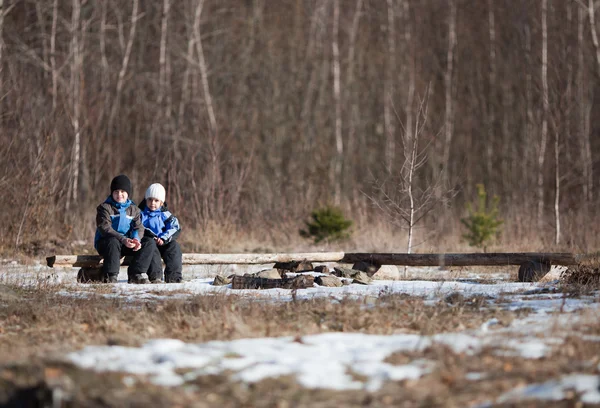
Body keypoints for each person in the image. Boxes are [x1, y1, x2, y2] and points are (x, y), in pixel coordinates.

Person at [94, 175, 158, 284]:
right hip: (107, 243)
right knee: (113, 241)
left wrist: (136, 239)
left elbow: (139, 227)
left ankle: (136, 273)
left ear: (128, 193)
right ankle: (111, 275)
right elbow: (105, 228)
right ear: (112, 193)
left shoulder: (134, 209)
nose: (119, 194)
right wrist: (123, 239)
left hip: (127, 243)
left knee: (149, 242)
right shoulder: (104, 208)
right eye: (116, 191)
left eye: (123, 191)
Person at [139, 183, 183, 283]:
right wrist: (152, 237)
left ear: (161, 203)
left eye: (156, 200)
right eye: (150, 199)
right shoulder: (141, 214)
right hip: (148, 243)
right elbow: (139, 228)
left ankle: (174, 276)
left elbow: (175, 227)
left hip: (163, 242)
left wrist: (164, 238)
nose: (152, 203)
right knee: (151, 246)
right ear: (146, 200)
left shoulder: (165, 214)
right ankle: (156, 276)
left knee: (174, 246)